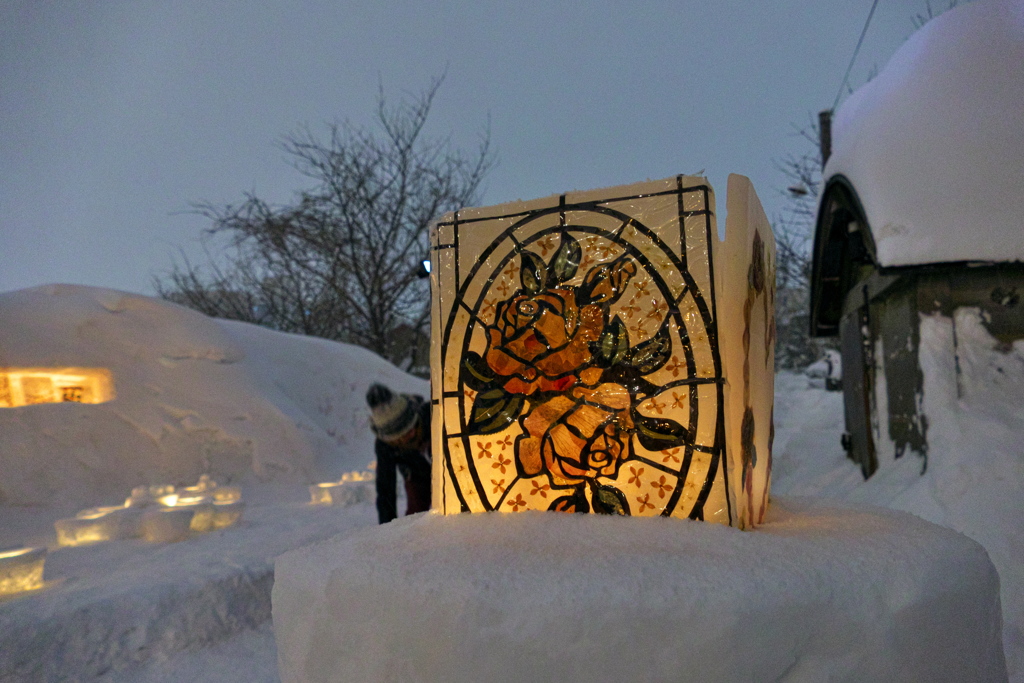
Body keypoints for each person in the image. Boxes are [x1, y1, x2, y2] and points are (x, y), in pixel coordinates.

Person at [366, 383, 432, 524]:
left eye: (409, 431)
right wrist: (388, 531)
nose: (405, 438)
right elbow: (386, 489)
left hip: (452, 470)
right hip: (416, 477)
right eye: (398, 438)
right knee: (416, 519)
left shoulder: (433, 414)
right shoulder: (384, 446)